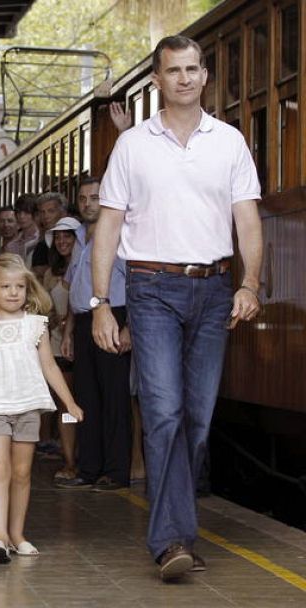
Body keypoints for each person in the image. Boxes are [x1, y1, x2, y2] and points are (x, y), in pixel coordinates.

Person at [91, 35, 262, 581]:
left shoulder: (230, 142)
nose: (185, 78)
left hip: (214, 291)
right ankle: (169, 542)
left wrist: (250, 282)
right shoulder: (133, 145)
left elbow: (247, 220)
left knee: (197, 420)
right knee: (163, 413)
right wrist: (100, 303)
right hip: (151, 288)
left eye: (193, 69)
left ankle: (178, 533)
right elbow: (109, 226)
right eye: (174, 70)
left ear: (205, 76)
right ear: (158, 81)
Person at [0, 253, 83, 563]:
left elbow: (49, 365)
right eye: (6, 286)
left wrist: (68, 401)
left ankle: (17, 534)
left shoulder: (37, 325)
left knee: (21, 473)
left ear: (28, 288)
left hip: (28, 404)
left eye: (19, 286)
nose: (13, 292)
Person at [58, 177, 132, 493]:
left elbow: (136, 284)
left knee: (114, 396)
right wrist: (70, 333)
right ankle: (88, 469)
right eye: (83, 198)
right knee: (86, 396)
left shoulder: (122, 234)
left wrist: (130, 327)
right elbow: (76, 287)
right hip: (86, 320)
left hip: (114, 316)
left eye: (95, 197)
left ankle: (116, 472)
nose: (88, 203)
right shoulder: (80, 238)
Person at [41, 216, 83, 483]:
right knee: (66, 405)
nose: (62, 241)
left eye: (67, 236)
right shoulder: (50, 273)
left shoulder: (86, 266)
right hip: (58, 347)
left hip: (87, 344)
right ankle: (70, 460)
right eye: (58, 237)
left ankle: (84, 457)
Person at [31, 192, 68, 279]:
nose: (46, 216)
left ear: (63, 213)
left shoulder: (76, 237)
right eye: (42, 212)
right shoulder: (41, 246)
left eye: (51, 211)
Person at [3, 194, 40, 263]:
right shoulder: (11, 246)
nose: (21, 216)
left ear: (35, 214)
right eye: (18, 212)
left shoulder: (42, 239)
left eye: (26, 212)